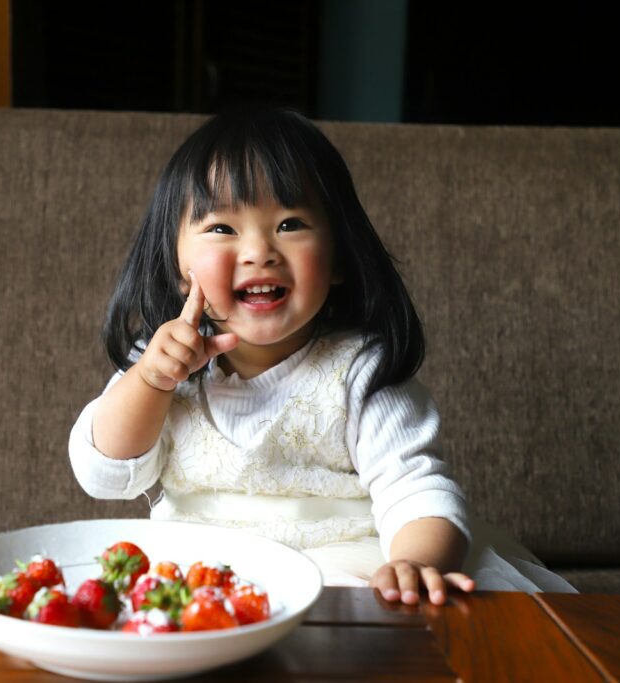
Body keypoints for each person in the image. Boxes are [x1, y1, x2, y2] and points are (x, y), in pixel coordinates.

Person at [69, 106, 575, 604]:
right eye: (223, 229)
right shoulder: (158, 364)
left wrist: (416, 563)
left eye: (290, 224)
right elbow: (104, 475)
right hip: (202, 579)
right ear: (178, 266)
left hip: (339, 571)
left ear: (337, 260)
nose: (258, 251)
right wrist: (151, 381)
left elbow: (416, 490)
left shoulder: (359, 371)